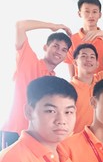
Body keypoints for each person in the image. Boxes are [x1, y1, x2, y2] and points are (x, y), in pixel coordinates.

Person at [2, 20, 72, 148]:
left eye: (64, 50)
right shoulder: (29, 61)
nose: (59, 51)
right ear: (45, 47)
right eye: (55, 46)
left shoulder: (55, 81)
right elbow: (20, 26)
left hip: (37, 136)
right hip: (15, 131)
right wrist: (52, 26)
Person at [70, 41, 103, 133]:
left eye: (92, 57)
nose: (88, 59)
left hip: (101, 139)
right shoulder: (69, 89)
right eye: (84, 56)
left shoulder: (101, 79)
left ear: (97, 64)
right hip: (77, 139)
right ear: (75, 62)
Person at [65, 0, 103, 76]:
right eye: (87, 11)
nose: (91, 15)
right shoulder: (71, 40)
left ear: (100, 15)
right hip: (81, 84)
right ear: (79, 14)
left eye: (94, 12)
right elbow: (72, 74)